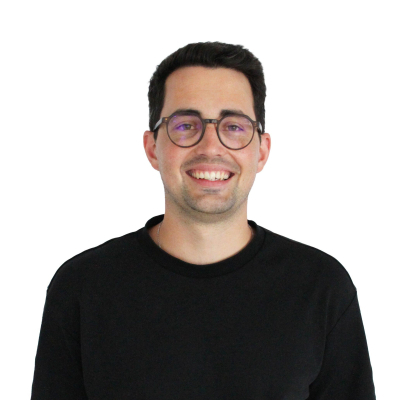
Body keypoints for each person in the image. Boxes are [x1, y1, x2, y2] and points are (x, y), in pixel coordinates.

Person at [30, 42, 376, 399]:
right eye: (185, 125)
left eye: (234, 126)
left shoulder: (321, 288)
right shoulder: (82, 288)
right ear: (152, 148)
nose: (211, 146)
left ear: (262, 151)